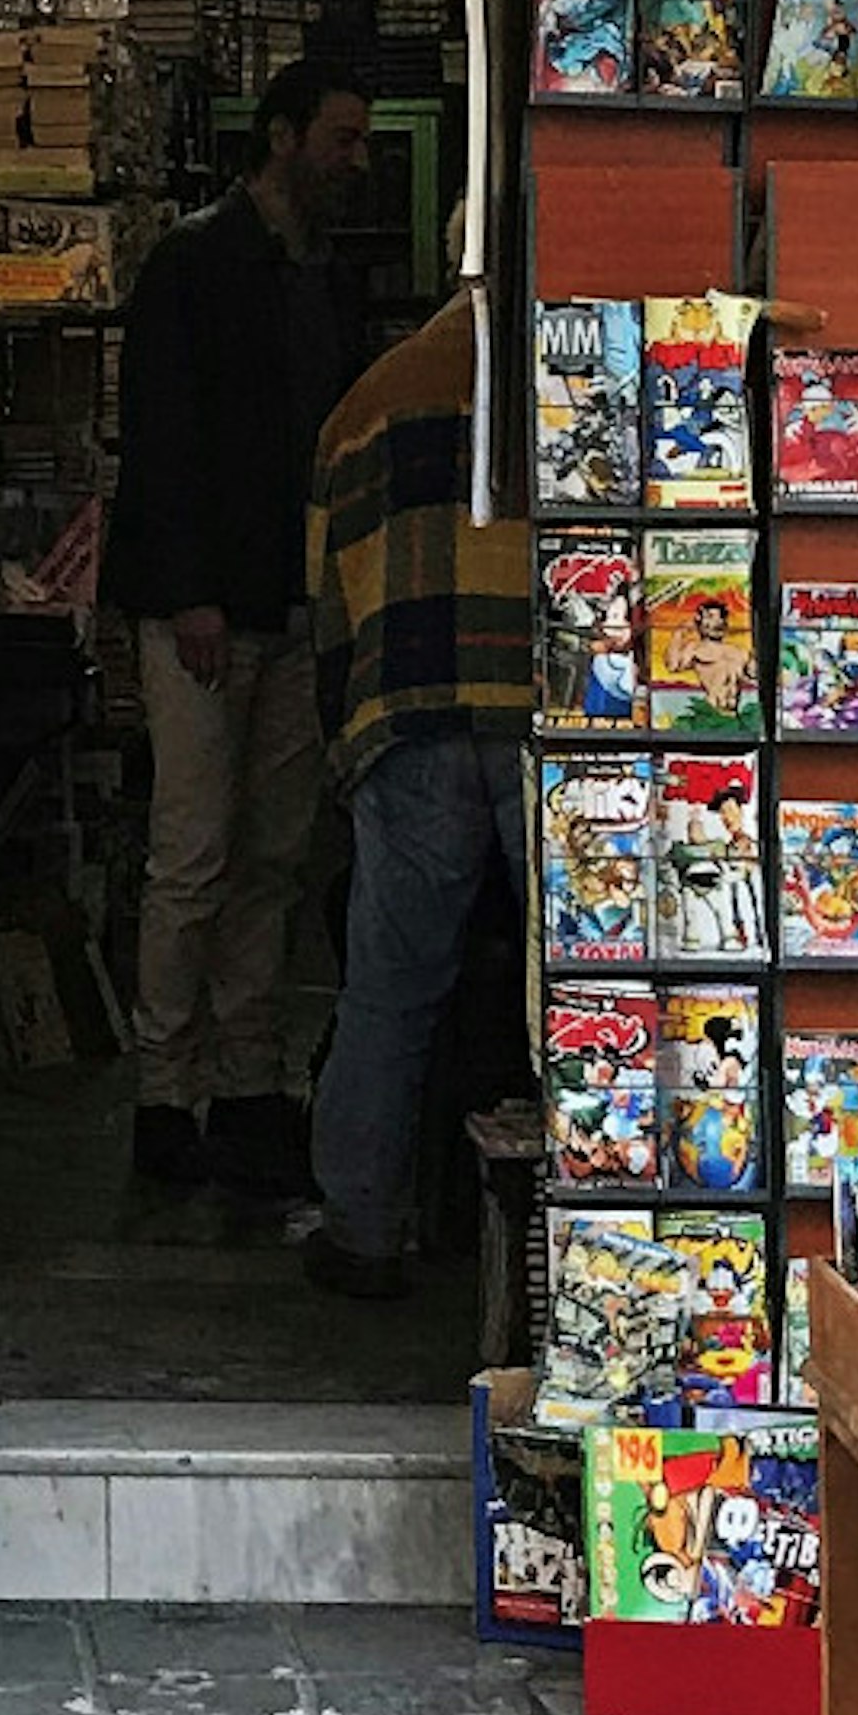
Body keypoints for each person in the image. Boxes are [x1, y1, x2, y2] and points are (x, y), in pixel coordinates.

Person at [99, 58, 372, 1194]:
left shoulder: (329, 273)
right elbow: (159, 434)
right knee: (197, 850)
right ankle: (167, 1090)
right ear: (281, 135)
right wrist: (190, 590)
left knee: (269, 851)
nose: (359, 160)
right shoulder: (194, 262)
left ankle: (248, 1075)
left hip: (295, 598)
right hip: (209, 605)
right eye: (342, 138)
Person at [300, 280, 534, 1298]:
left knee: (388, 986)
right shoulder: (562, 377)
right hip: (549, 712)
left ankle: (361, 1227)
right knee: (580, 983)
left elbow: (327, 606)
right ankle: (592, 1220)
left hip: (409, 717)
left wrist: (341, 739)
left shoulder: (368, 401)